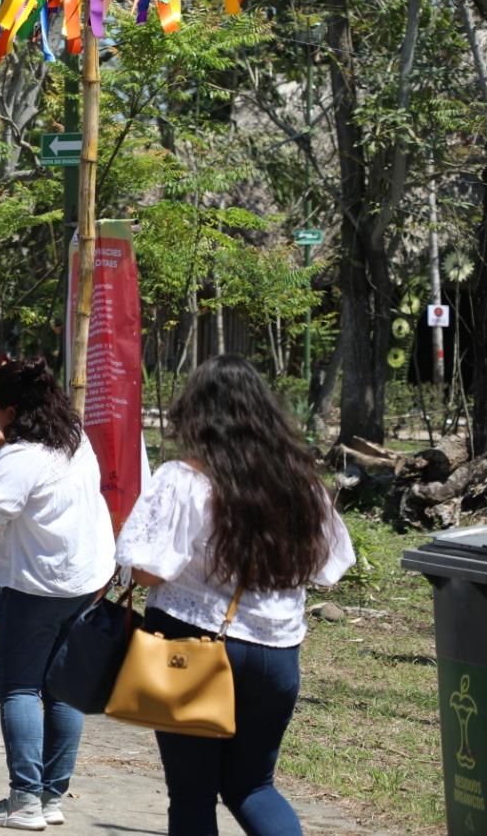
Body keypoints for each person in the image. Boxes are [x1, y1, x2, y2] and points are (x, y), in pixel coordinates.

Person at [115, 355, 355, 836]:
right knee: (253, 787)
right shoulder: (301, 482)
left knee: (192, 795)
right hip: (277, 655)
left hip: (190, 649)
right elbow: (332, 567)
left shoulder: (183, 479)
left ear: (196, 412)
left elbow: (145, 571)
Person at [0, 357, 114, 830]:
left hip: (35, 586)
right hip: (86, 578)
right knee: (62, 689)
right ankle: (50, 797)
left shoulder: (20, 458)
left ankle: (24, 802)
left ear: (8, 409)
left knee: (20, 688)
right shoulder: (73, 438)